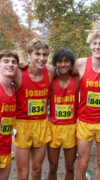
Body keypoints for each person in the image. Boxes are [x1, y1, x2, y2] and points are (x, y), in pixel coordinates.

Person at [74, 30, 100, 180]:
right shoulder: (80, 63)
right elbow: (63, 73)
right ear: (90, 45)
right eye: (95, 43)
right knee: (83, 163)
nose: (97, 47)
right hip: (85, 121)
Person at [13, 39, 55, 180]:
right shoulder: (18, 72)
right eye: (37, 54)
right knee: (23, 175)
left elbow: (71, 70)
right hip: (22, 124)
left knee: (37, 171)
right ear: (29, 54)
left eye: (45, 55)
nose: (41, 58)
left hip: (41, 125)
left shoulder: (50, 71)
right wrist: (17, 64)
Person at [48, 48, 79, 180]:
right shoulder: (51, 79)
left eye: (66, 62)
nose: (63, 65)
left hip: (71, 128)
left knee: (70, 167)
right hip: (53, 128)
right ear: (55, 64)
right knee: (52, 168)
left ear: (71, 64)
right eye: (60, 62)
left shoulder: (77, 79)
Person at [0, 50, 19, 180]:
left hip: (6, 148)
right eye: (6, 61)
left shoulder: (13, 89)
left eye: (14, 62)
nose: (10, 64)